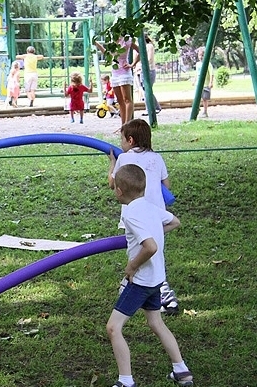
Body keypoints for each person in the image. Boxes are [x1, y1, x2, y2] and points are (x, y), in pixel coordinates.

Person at [107, 164, 193, 387]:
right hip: (157, 278)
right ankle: (181, 370)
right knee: (156, 322)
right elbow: (175, 222)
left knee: (114, 328)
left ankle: (126, 381)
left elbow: (150, 247)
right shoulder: (150, 207)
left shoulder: (131, 214)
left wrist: (132, 267)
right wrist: (154, 230)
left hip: (141, 281)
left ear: (118, 191)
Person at [107, 119, 180, 315]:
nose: (120, 143)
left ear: (130, 140)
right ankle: (144, 286)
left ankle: (157, 290)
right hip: (157, 212)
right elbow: (167, 184)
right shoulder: (157, 158)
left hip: (135, 210)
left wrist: (112, 164)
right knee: (154, 250)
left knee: (138, 248)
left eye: (121, 139)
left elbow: (112, 184)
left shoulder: (123, 158)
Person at [95, 36, 140, 125]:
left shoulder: (126, 40)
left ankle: (127, 124)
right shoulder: (112, 42)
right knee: (120, 101)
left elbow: (140, 51)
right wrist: (97, 44)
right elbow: (108, 55)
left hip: (124, 73)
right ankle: (123, 125)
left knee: (127, 99)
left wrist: (132, 64)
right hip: (115, 73)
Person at [137, 35, 162, 116]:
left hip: (149, 70)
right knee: (146, 90)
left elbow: (149, 58)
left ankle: (150, 109)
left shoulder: (149, 46)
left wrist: (143, 65)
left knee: (146, 90)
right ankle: (156, 107)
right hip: (144, 70)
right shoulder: (142, 47)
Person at [192, 46, 214, 118]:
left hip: (205, 84)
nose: (201, 57)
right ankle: (196, 109)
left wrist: (211, 82)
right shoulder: (198, 64)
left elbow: (211, 74)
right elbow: (196, 73)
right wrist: (194, 81)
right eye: (200, 55)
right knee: (197, 98)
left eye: (202, 55)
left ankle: (205, 111)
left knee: (205, 99)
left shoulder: (208, 64)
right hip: (198, 84)